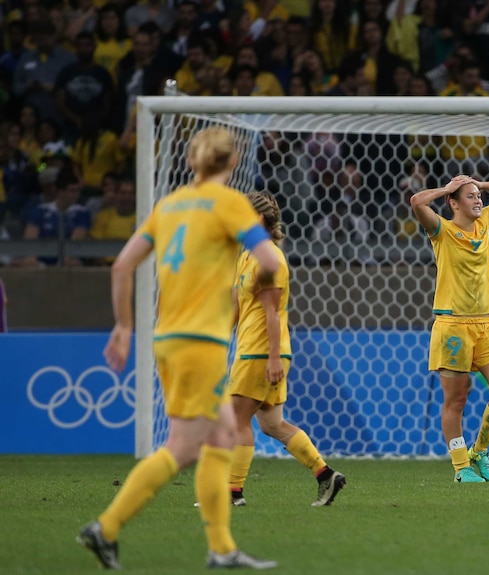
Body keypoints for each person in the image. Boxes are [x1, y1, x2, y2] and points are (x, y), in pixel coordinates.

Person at [78, 127, 281, 570]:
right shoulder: (230, 204)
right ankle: (106, 527)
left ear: (192, 161)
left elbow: (122, 266)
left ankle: (222, 548)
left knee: (224, 433)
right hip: (201, 342)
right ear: (231, 163)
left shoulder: (167, 207)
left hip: (166, 338)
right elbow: (268, 260)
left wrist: (124, 325)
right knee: (184, 446)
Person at [227, 191, 347, 507]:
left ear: (260, 220)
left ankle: (232, 493)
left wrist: (272, 358)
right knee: (271, 424)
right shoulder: (246, 255)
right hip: (255, 349)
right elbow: (237, 306)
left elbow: (271, 312)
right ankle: (325, 475)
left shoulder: (271, 260)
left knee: (236, 421)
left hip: (261, 351)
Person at [410, 174, 489, 483]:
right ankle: (461, 467)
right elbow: (417, 202)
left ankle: (479, 451)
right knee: (456, 401)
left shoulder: (485, 221)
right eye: (469, 196)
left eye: (478, 196)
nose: (477, 200)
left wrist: (481, 184)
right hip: (453, 325)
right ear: (453, 203)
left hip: (487, 323)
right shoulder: (441, 231)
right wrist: (447, 188)